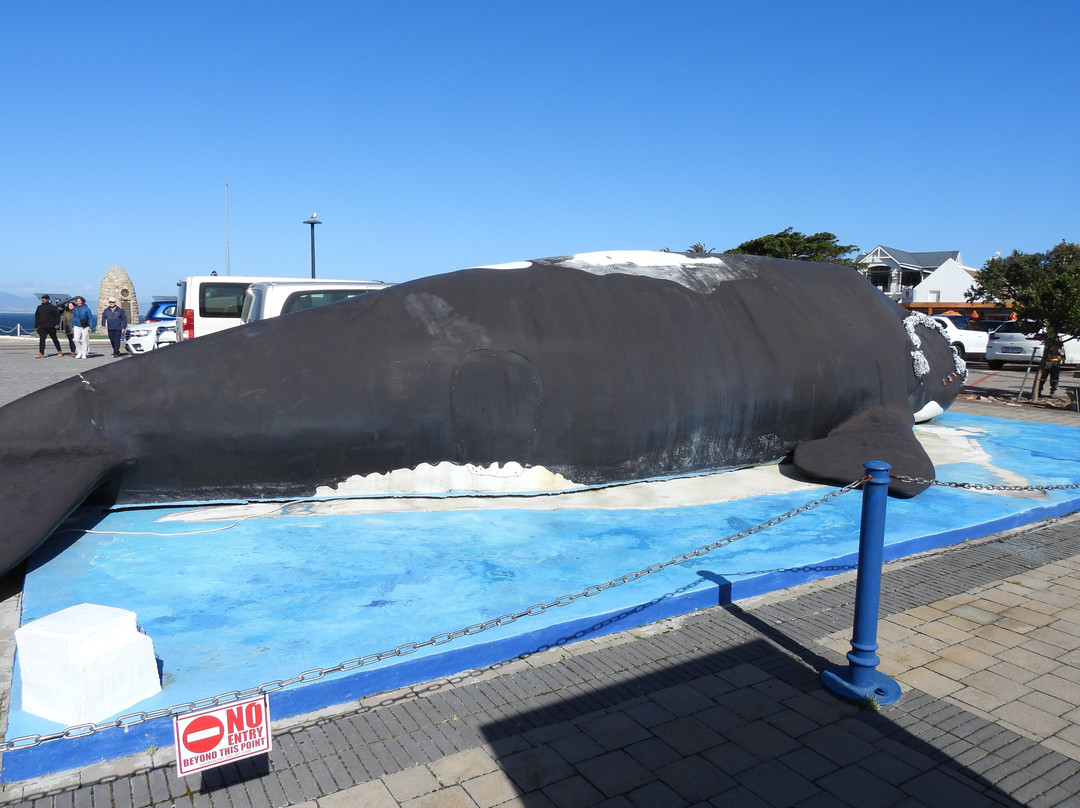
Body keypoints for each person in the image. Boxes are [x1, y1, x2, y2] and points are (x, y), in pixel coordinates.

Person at [70, 295, 94, 359]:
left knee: (84, 340)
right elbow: (74, 318)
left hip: (85, 326)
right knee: (76, 339)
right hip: (77, 325)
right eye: (77, 301)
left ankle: (84, 353)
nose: (78, 303)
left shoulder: (87, 309)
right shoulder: (75, 309)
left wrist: (90, 327)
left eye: (79, 301)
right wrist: (72, 326)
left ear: (82, 301)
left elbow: (90, 318)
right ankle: (79, 352)